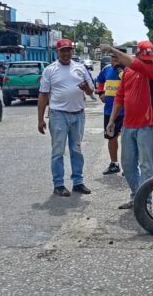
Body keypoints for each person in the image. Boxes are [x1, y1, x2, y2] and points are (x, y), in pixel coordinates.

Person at [101, 41, 153, 210]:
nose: (148, 61)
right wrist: (112, 120)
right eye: (144, 58)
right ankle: (137, 196)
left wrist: (112, 50)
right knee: (127, 165)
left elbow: (135, 64)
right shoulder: (128, 71)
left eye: (149, 58)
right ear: (138, 54)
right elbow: (120, 97)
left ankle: (145, 201)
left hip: (147, 125)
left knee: (146, 166)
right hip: (128, 125)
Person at [37, 38, 95, 197]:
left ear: (72, 51)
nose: (66, 54)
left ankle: (78, 182)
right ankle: (58, 184)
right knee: (58, 151)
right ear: (58, 52)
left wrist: (87, 88)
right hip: (58, 115)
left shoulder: (80, 68)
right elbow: (43, 95)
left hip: (78, 115)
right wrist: (40, 119)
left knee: (77, 149)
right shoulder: (50, 70)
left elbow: (91, 91)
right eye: (63, 51)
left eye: (68, 50)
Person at [96, 55, 126, 175]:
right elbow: (99, 80)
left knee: (128, 139)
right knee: (111, 137)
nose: (115, 61)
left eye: (117, 58)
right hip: (109, 110)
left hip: (126, 111)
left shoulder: (128, 70)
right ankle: (114, 164)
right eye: (113, 58)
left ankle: (129, 166)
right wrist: (101, 93)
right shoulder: (106, 69)